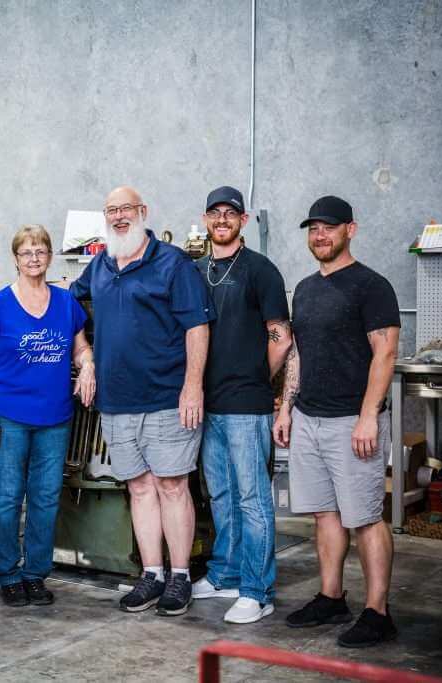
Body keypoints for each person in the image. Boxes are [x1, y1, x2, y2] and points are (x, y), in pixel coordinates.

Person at [67, 186, 213, 617]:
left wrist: (192, 386)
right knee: (140, 488)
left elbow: (197, 329)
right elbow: (68, 307)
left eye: (125, 209)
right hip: (116, 402)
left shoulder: (172, 263)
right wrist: (87, 359)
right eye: (111, 210)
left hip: (168, 399)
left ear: (143, 212)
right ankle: (150, 574)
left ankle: (180, 576)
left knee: (172, 486)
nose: (118, 217)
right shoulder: (100, 265)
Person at [273, 195, 401, 648]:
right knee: (324, 515)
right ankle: (331, 597)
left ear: (351, 229)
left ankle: (377, 611)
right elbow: (299, 354)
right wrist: (287, 407)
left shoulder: (371, 286)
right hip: (309, 418)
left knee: (365, 517)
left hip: (353, 422)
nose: (320, 235)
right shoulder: (305, 289)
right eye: (313, 229)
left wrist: (368, 416)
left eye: (328, 227)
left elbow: (385, 352)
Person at [0, 224, 95, 607]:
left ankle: (35, 573)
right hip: (9, 416)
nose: (34, 258)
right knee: (7, 498)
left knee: (45, 499)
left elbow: (80, 349)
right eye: (26, 252)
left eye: (40, 250)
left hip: (55, 419)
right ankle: (8, 574)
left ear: (49, 256)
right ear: (16, 258)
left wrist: (88, 365)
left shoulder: (65, 303)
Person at [191, 186, 292, 624]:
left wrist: (256, 376)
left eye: (230, 213)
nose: (222, 219)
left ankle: (257, 589)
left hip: (246, 404)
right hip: (205, 403)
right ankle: (225, 574)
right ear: (206, 218)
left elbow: (280, 335)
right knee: (221, 494)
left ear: (243, 220)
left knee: (252, 499)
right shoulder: (195, 270)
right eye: (214, 213)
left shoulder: (260, 270)